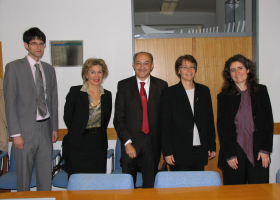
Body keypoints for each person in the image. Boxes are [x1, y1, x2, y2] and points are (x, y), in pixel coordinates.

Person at [3, 27, 58, 191]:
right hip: (24, 131)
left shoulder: (49, 69)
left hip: (45, 128)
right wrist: (15, 134)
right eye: (34, 43)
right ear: (26, 45)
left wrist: (54, 127)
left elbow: (53, 100)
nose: (38, 47)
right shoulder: (13, 67)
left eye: (41, 43)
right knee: (24, 177)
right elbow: (10, 102)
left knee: (45, 175)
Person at [114, 52, 168, 188]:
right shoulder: (123, 86)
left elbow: (165, 119)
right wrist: (127, 143)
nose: (142, 66)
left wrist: (166, 148)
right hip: (130, 146)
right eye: (138, 63)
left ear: (152, 66)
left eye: (146, 63)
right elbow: (118, 119)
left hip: (153, 146)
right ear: (133, 65)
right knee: (128, 187)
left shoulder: (162, 86)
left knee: (150, 188)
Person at [217, 54, 274, 185]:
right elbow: (222, 127)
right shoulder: (224, 96)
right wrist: (229, 154)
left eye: (240, 68)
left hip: (259, 150)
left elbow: (268, 122)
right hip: (234, 151)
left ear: (248, 70)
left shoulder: (261, 91)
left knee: (260, 193)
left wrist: (265, 149)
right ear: (229, 74)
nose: (237, 72)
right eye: (232, 70)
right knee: (235, 194)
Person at [161, 55, 216, 171]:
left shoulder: (204, 91)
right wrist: (167, 151)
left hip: (200, 148)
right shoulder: (170, 93)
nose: (189, 70)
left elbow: (209, 121)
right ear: (178, 70)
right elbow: (165, 125)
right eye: (185, 67)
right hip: (178, 150)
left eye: (192, 67)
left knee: (197, 185)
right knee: (180, 186)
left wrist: (211, 145)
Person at [63, 58, 112, 178]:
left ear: (103, 74)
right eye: (92, 72)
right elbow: (67, 117)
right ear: (86, 74)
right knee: (77, 183)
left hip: (98, 145)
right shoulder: (75, 92)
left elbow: (105, 120)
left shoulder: (107, 95)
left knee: (96, 183)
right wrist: (78, 131)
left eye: (99, 72)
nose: (96, 75)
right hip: (77, 144)